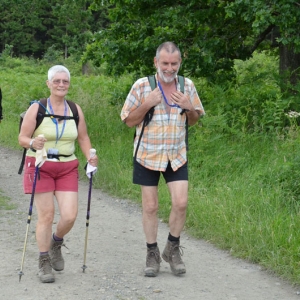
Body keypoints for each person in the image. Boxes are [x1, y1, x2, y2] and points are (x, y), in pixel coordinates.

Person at [120, 42, 205, 277]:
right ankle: (152, 253)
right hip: (147, 155)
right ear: (156, 62)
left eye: (174, 63)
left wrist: (189, 108)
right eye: (165, 63)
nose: (169, 68)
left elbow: (195, 120)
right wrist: (148, 103)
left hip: (176, 155)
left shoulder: (186, 85)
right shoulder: (142, 86)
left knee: (180, 203)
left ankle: (172, 248)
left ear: (179, 63)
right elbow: (128, 121)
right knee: (150, 207)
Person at [18, 65, 98, 283]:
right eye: (57, 81)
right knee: (46, 214)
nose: (61, 85)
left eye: (65, 81)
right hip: (40, 164)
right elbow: (23, 138)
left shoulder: (74, 109)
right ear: (49, 84)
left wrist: (89, 156)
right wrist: (33, 142)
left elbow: (82, 137)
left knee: (70, 215)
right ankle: (44, 261)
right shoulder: (38, 108)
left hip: (67, 167)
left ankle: (56, 242)